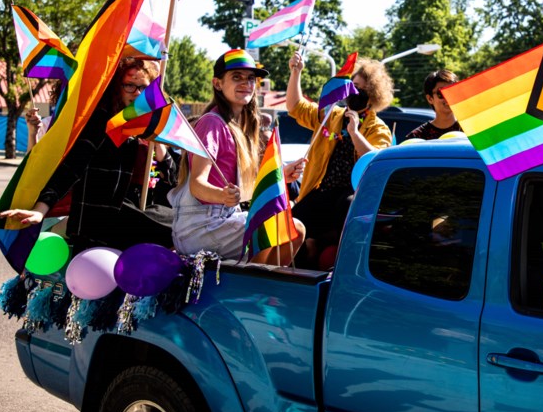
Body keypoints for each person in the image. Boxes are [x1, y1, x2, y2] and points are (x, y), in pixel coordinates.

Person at [0, 58, 176, 251]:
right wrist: (40, 210)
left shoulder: (151, 128)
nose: (138, 93)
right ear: (117, 87)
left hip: (136, 222)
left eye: (143, 87)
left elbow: (173, 177)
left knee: (178, 227)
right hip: (99, 228)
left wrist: (157, 143)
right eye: (130, 86)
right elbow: (71, 167)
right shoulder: (101, 123)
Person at [169, 49, 304, 266]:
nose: (246, 83)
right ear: (218, 83)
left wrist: (280, 177)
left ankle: (258, 282)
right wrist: (221, 195)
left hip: (223, 219)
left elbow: (245, 191)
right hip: (201, 226)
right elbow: (197, 185)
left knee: (292, 226)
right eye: (236, 77)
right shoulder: (212, 123)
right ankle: (252, 287)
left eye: (251, 78)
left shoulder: (241, 126)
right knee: (280, 227)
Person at [286, 51, 393, 269]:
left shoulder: (378, 128)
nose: (355, 92)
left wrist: (355, 133)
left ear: (372, 95)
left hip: (350, 194)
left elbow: (376, 161)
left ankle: (336, 262)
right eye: (352, 86)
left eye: (361, 89)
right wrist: (296, 72)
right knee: (290, 225)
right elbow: (295, 106)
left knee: (348, 207)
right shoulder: (330, 115)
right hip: (321, 190)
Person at [404, 69, 462, 141]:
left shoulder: (470, 131)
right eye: (441, 93)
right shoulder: (417, 137)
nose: (448, 97)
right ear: (430, 99)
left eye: (452, 91)